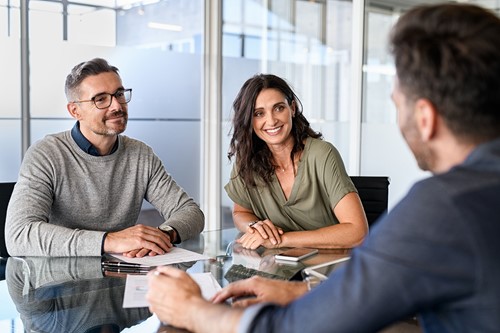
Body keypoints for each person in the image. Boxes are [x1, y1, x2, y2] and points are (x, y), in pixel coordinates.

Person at [146, 3, 500, 332]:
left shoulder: (443, 208)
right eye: (258, 113)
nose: (271, 119)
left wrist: (193, 309)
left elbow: (297, 327)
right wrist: (301, 293)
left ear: (425, 118)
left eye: (396, 103)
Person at [5, 58, 204, 257]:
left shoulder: (140, 155)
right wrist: (110, 240)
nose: (116, 105)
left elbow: (190, 212)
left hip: (122, 274)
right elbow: (20, 235)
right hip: (58, 280)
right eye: (100, 99)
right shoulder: (47, 154)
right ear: (75, 111)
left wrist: (163, 235)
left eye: (119, 94)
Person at [225, 74, 368, 250]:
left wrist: (282, 240)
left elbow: (357, 232)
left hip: (330, 267)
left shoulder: (322, 154)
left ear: (292, 108)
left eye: (278, 108)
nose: (271, 120)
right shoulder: (246, 159)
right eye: (259, 113)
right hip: (279, 268)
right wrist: (255, 227)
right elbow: (241, 212)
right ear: (249, 119)